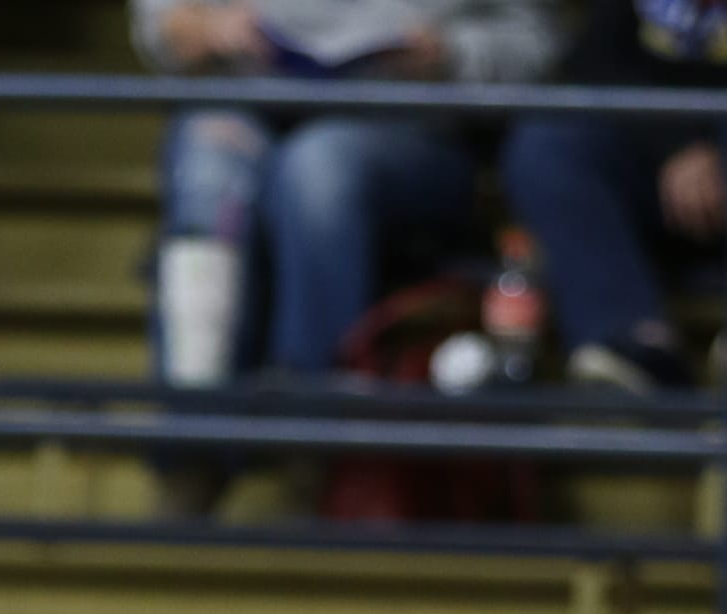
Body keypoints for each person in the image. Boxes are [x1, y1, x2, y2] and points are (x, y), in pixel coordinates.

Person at [133, 0, 556, 390]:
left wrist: (451, 52)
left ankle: (310, 415)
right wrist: (206, 27)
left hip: (410, 128)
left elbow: (537, 47)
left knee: (317, 166)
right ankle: (194, 414)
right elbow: (162, 22)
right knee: (210, 168)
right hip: (247, 100)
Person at [503, 0, 727, 394]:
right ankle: (632, 351)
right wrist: (677, 144)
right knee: (549, 143)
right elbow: (594, 59)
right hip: (657, 163)